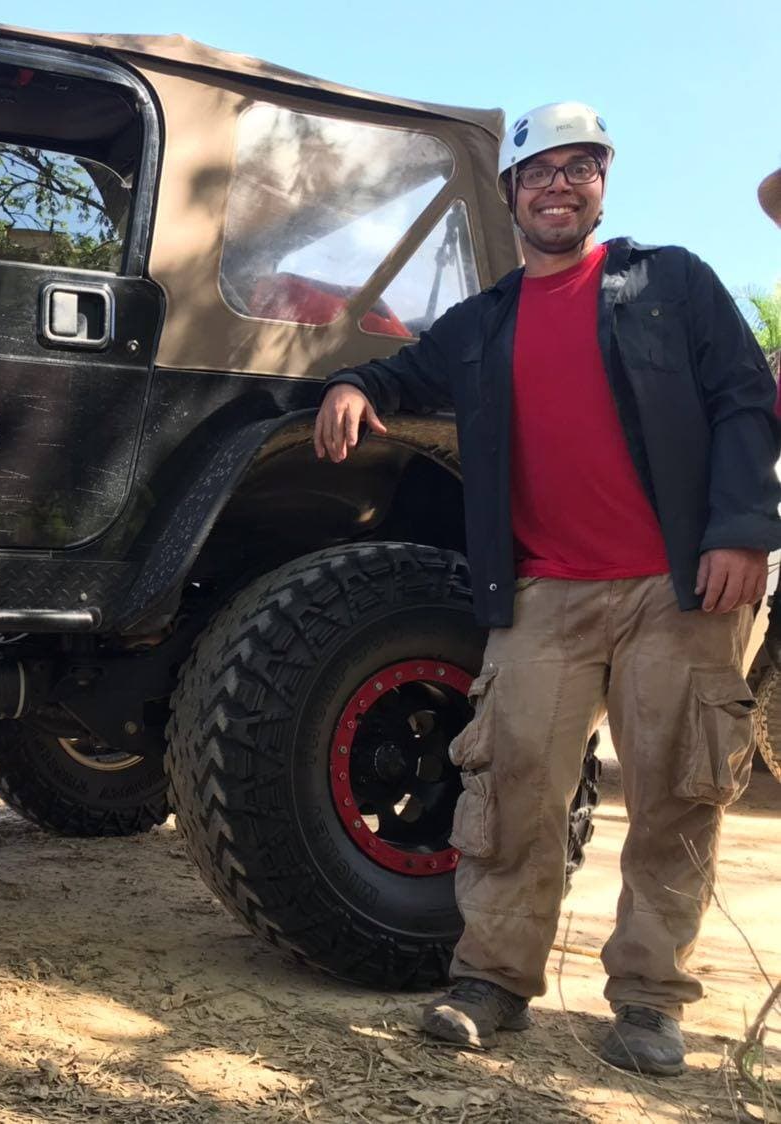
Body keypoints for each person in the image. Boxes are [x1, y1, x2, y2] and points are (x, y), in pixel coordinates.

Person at [313, 102, 781, 1075]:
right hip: (544, 594)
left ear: (602, 183)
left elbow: (744, 396)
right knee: (511, 783)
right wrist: (352, 388)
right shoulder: (483, 323)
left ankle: (649, 999)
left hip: (681, 586)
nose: (559, 185)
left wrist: (742, 529)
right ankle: (491, 979)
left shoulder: (673, 283)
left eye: (580, 167)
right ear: (513, 193)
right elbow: (398, 371)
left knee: (677, 790)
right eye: (540, 172)